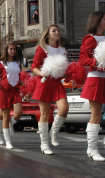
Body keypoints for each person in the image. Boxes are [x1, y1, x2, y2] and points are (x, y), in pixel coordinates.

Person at [79, 11, 105, 161]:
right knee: (96, 115)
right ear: (97, 21)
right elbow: (82, 60)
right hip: (96, 79)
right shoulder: (90, 39)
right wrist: (97, 61)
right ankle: (92, 150)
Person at [31, 25, 68, 155]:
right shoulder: (42, 49)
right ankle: (44, 144)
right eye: (54, 31)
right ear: (48, 35)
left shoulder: (63, 50)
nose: (57, 32)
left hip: (57, 82)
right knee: (45, 114)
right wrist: (43, 74)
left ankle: (54, 131)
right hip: (45, 82)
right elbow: (34, 67)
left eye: (58, 31)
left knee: (64, 109)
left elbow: (64, 68)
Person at [0, 43, 23, 149]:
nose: (13, 51)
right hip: (4, 91)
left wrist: (26, 84)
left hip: (15, 90)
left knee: (19, 113)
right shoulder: (0, 63)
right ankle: (8, 141)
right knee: (5, 116)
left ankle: (11, 123)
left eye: (14, 49)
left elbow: (18, 78)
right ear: (6, 50)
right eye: (11, 49)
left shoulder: (18, 63)